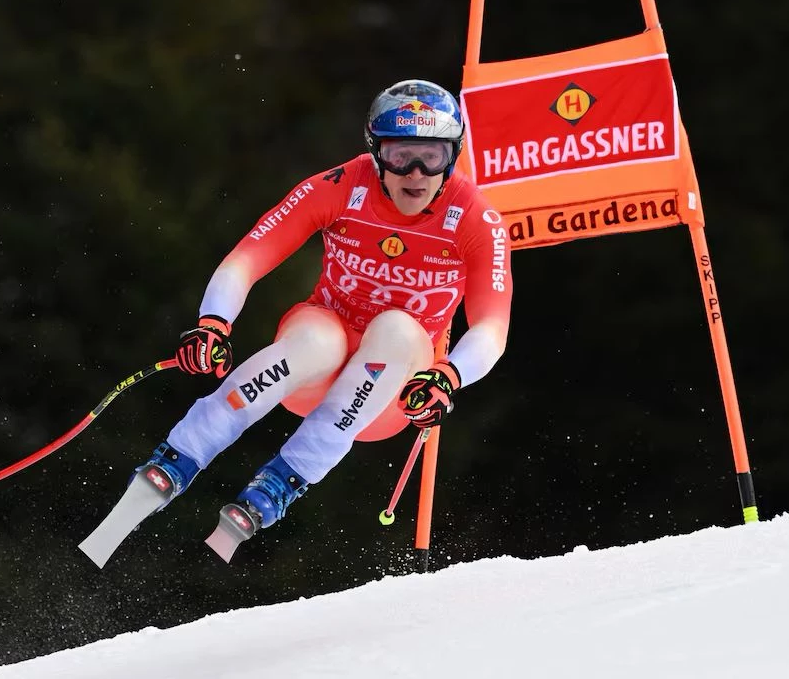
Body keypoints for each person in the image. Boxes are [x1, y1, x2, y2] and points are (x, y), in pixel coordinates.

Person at [137, 79, 512, 543]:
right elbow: (248, 257)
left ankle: (281, 482)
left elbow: (493, 327)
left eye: (431, 157)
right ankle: (181, 452)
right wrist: (213, 323)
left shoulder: (475, 216)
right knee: (318, 339)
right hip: (317, 360)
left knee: (396, 327)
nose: (415, 173)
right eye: (400, 156)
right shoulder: (342, 184)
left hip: (387, 391)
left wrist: (448, 376)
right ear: (377, 153)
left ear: (451, 156)